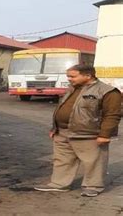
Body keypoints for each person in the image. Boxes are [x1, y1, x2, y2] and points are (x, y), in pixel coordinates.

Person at [35, 64, 121, 197]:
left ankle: (93, 186)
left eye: (73, 76)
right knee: (62, 160)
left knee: (94, 161)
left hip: (89, 134)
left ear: (88, 75)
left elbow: (112, 115)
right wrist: (55, 127)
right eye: (68, 76)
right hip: (62, 132)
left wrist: (105, 135)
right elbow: (62, 107)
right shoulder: (72, 89)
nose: (69, 79)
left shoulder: (108, 91)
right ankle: (59, 184)